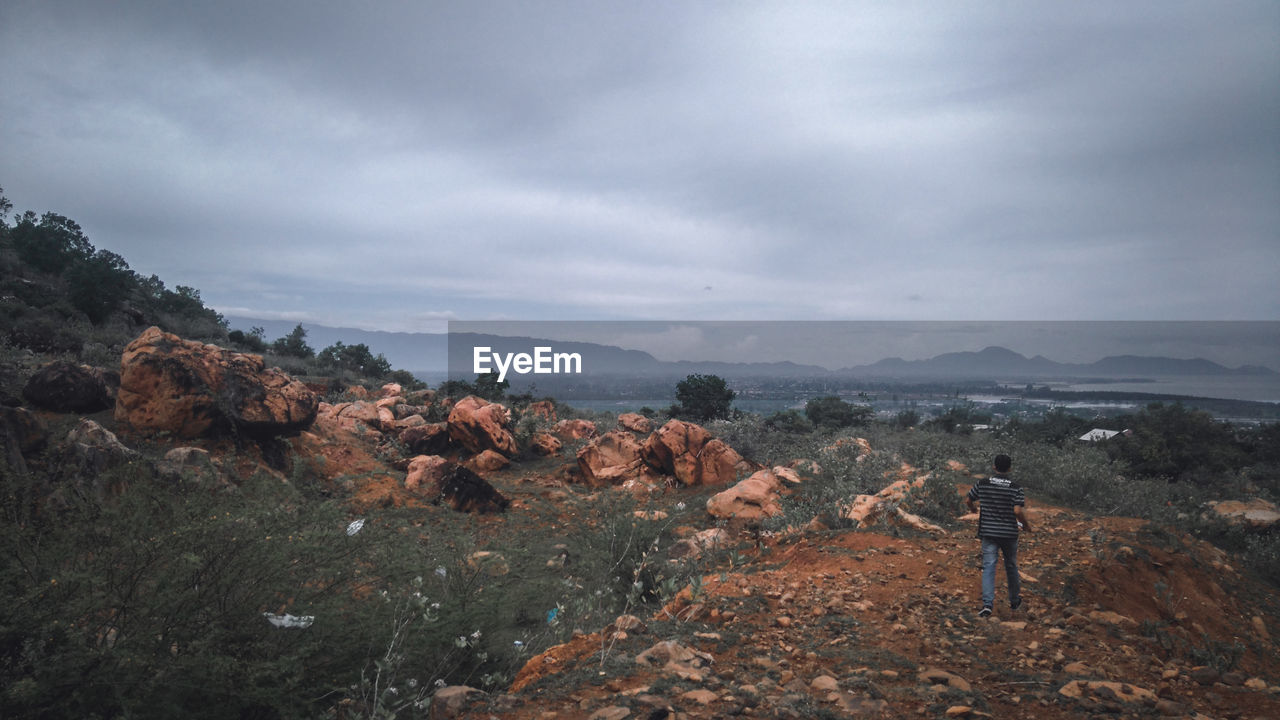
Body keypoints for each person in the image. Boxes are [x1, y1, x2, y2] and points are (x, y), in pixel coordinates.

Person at [966, 453, 1033, 617]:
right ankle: (1015, 601)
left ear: (994, 467)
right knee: (1011, 565)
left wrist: (974, 510)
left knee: (989, 566)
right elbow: (1017, 510)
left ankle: (987, 604)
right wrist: (1026, 525)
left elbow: (969, 499)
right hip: (1009, 533)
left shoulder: (983, 483)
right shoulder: (1016, 488)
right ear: (1010, 468)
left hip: (989, 532)